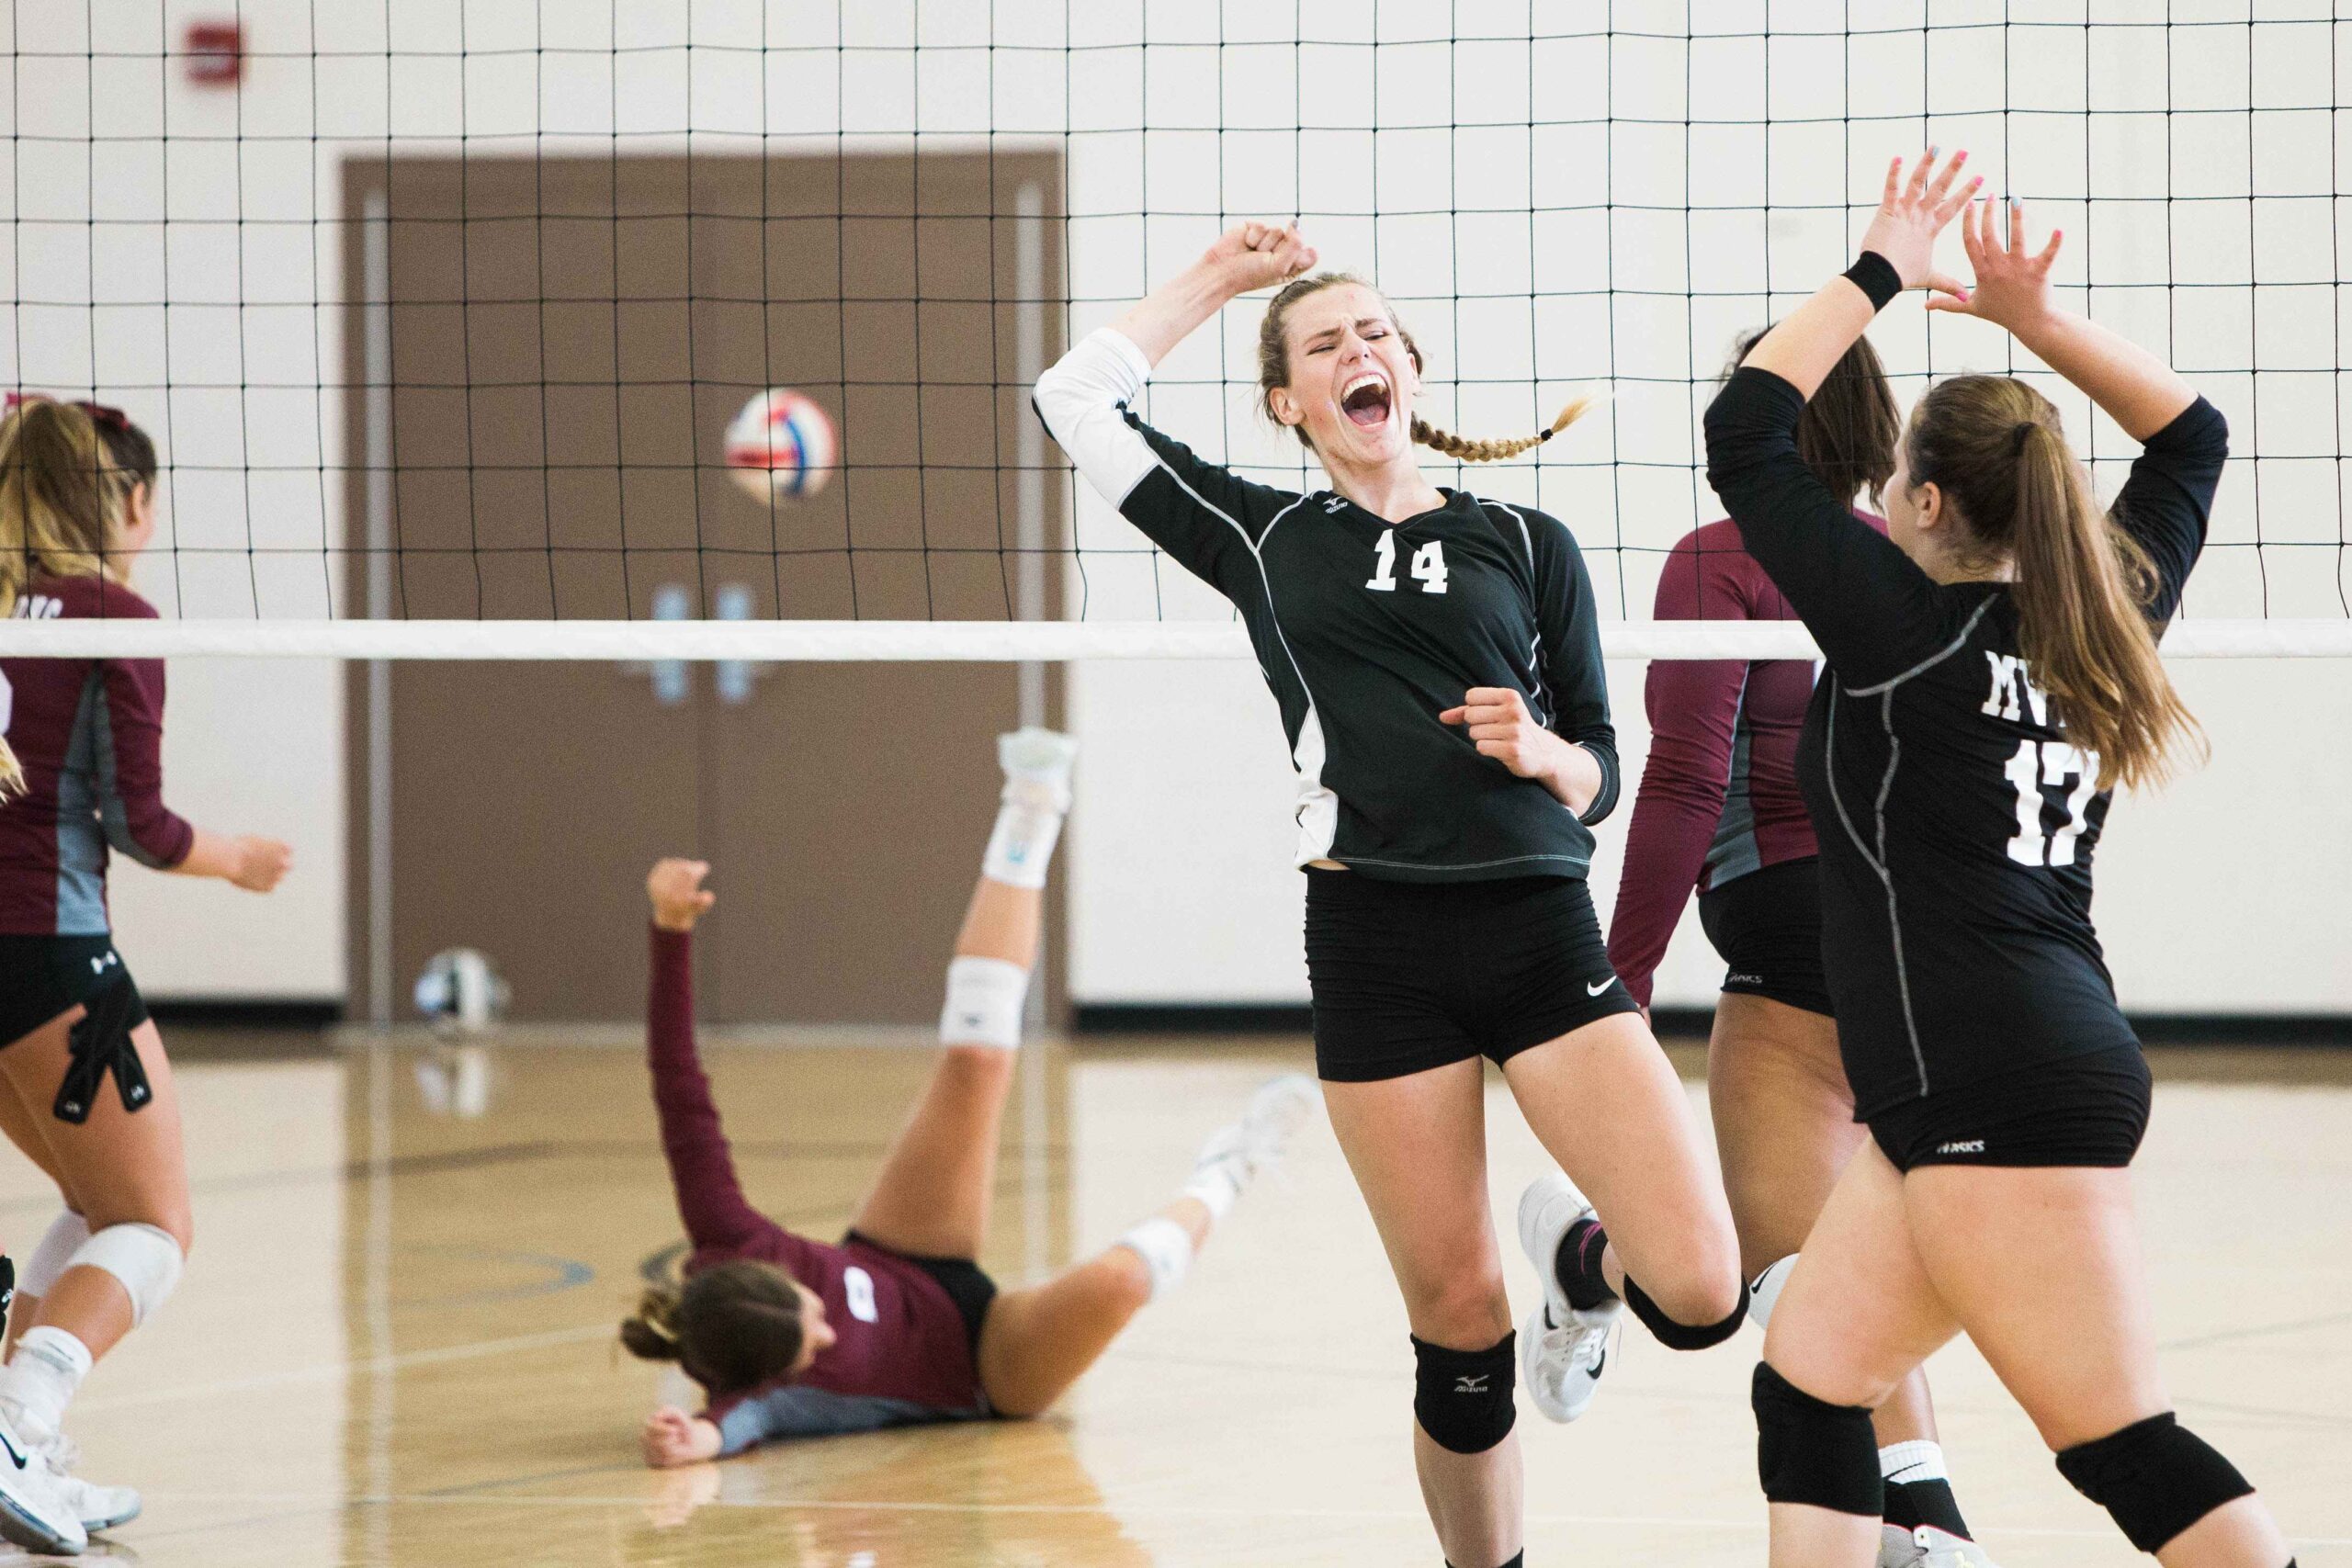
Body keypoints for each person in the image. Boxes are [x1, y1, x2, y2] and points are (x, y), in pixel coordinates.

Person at [1034, 224, 1745, 1568]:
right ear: (1288, 402)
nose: (1358, 351)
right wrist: (1224, 282)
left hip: (1537, 925)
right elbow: (1073, 398)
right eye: (1322, 344)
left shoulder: (1528, 541)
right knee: (1458, 1321)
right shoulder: (1259, 533)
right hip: (1377, 941)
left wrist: (1546, 754)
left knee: (1703, 1289)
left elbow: (1601, 770)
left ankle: (1578, 1265)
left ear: (1411, 370)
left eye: (1374, 333)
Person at [1705, 150, 2297, 1568]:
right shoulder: (2105, 617)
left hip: (1995, 1076)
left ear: (1913, 507)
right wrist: (2035, 324)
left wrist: (1880, 271)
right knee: (1809, 1386)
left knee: (2118, 1443)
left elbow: (1747, 429)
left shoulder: (1902, 631)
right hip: (1983, 1071)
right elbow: (2194, 439)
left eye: (1899, 472)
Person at [625, 728, 1314, 1464]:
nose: (827, 1332)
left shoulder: (726, 1230)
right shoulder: (768, 1394)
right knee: (1119, 1280)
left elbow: (679, 1089)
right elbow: (733, 1424)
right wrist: (694, 1438)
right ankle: (1230, 1167)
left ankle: (1032, 806)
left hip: (905, 1253)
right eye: (812, 1346)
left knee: (977, 1058)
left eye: (812, 1313)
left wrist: (669, 933)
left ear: (761, 1273)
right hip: (986, 1365)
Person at [1608, 336, 1996, 1568]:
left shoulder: (1724, 556)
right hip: (1926, 944)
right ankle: (1930, 1513)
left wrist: (1615, 984)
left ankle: (1583, 1256)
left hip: (1790, 936)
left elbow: (1682, 777)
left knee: (1781, 1281)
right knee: (1853, 1254)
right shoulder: (1916, 567)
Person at [0, 396, 292, 1553]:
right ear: (126, 502)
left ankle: (17, 1436)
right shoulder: (111, 613)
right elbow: (141, 823)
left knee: (94, 1204)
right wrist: (238, 863)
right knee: (156, 1227)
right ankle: (20, 1424)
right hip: (51, 962)